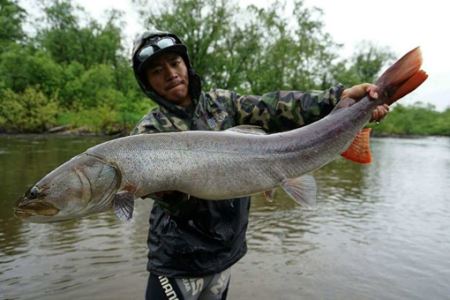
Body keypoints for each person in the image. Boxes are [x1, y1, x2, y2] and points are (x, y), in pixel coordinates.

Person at [130, 30, 388, 300]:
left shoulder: (224, 104)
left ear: (186, 65)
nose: (170, 73)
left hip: (225, 253)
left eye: (174, 63)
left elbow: (276, 107)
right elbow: (153, 193)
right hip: (176, 260)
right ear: (147, 83)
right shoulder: (149, 132)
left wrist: (339, 98)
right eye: (157, 70)